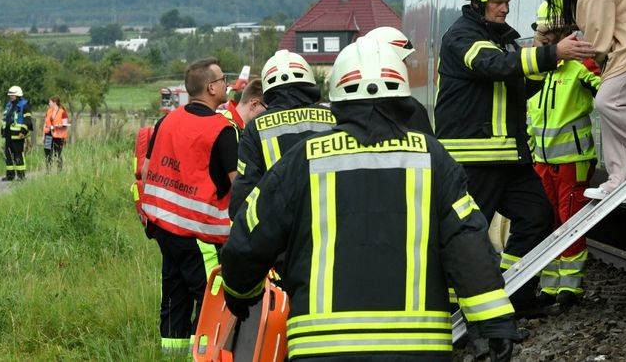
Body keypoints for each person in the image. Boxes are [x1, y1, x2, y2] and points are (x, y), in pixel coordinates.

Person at [221, 38, 521, 361]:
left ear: (337, 98)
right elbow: (468, 242)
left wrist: (241, 292)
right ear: (404, 97)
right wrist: (495, 322)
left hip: (322, 349)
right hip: (417, 350)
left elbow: (248, 234)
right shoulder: (433, 157)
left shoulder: (302, 161)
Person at [434, 0, 594, 318]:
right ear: (478, 2)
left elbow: (520, 85)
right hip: (474, 157)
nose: (505, 7)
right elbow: (492, 66)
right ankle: (454, 313)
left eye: (508, 0)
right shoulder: (462, 37)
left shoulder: (502, 37)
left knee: (536, 216)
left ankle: (513, 295)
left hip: (507, 157)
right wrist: (550, 53)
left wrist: (547, 56)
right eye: (498, 1)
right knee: (468, 236)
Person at [531, 0, 626, 199]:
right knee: (608, 107)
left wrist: (586, 52)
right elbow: (587, 19)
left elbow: (597, 31)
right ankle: (618, 180)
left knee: (610, 102)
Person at [140, 58, 239, 356]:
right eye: (223, 80)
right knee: (214, 303)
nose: (227, 85)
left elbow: (146, 172)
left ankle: (170, 354)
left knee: (174, 296)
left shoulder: (166, 121)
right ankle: (210, 356)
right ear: (210, 87)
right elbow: (239, 184)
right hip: (200, 234)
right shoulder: (221, 129)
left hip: (163, 227)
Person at [527, 0, 601, 309]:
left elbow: (607, 94)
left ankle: (570, 288)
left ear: (563, 32)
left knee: (570, 223)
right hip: (542, 160)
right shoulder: (537, 66)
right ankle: (548, 285)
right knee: (546, 222)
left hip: (573, 159)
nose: (542, 39)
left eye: (547, 34)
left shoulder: (582, 64)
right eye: (540, 34)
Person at [228, 50, 335, 220]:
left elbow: (244, 192)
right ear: (308, 82)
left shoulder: (256, 127)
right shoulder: (333, 118)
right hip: (327, 219)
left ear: (268, 90)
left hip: (278, 228)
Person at [362, 25, 433, 133]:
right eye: (403, 60)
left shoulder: (349, 107)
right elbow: (429, 147)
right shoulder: (410, 109)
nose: (407, 65)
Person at [1, 85, 32, 181]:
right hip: (8, 134)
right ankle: (10, 175)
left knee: (18, 154)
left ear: (18, 95)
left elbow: (27, 120)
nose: (11, 97)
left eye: (13, 95)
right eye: (10, 95)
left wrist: (23, 131)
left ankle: (21, 176)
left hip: (18, 135)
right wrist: (3, 130)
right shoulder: (9, 105)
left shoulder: (24, 105)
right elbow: (5, 119)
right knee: (8, 155)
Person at [42, 96, 70, 172]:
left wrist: (58, 126)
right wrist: (43, 135)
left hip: (58, 136)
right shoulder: (48, 111)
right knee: (47, 153)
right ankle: (48, 171)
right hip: (48, 134)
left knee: (58, 154)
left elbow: (65, 124)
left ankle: (59, 171)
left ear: (54, 103)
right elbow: (45, 123)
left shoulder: (62, 112)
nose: (48, 103)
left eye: (49, 102)